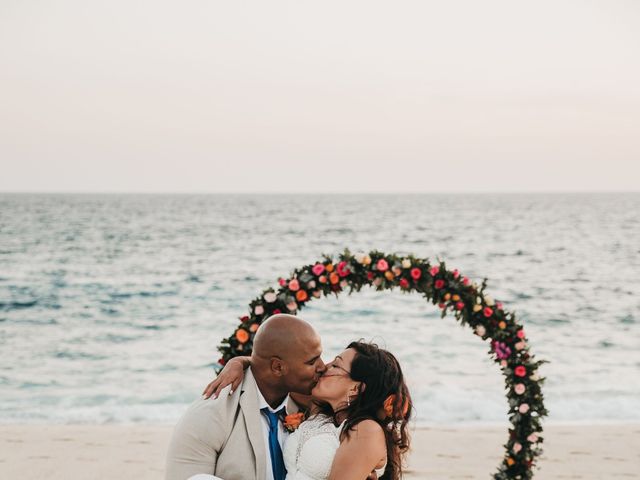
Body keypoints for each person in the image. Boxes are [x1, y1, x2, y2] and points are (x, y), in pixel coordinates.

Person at [202, 340, 412, 480]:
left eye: (336, 366)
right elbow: (276, 370)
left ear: (356, 387)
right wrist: (238, 362)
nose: (323, 368)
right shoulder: (320, 410)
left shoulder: (366, 430)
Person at [165, 314, 325, 480]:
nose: (322, 367)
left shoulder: (310, 399)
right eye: (312, 362)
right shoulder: (209, 415)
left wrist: (241, 361)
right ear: (277, 367)